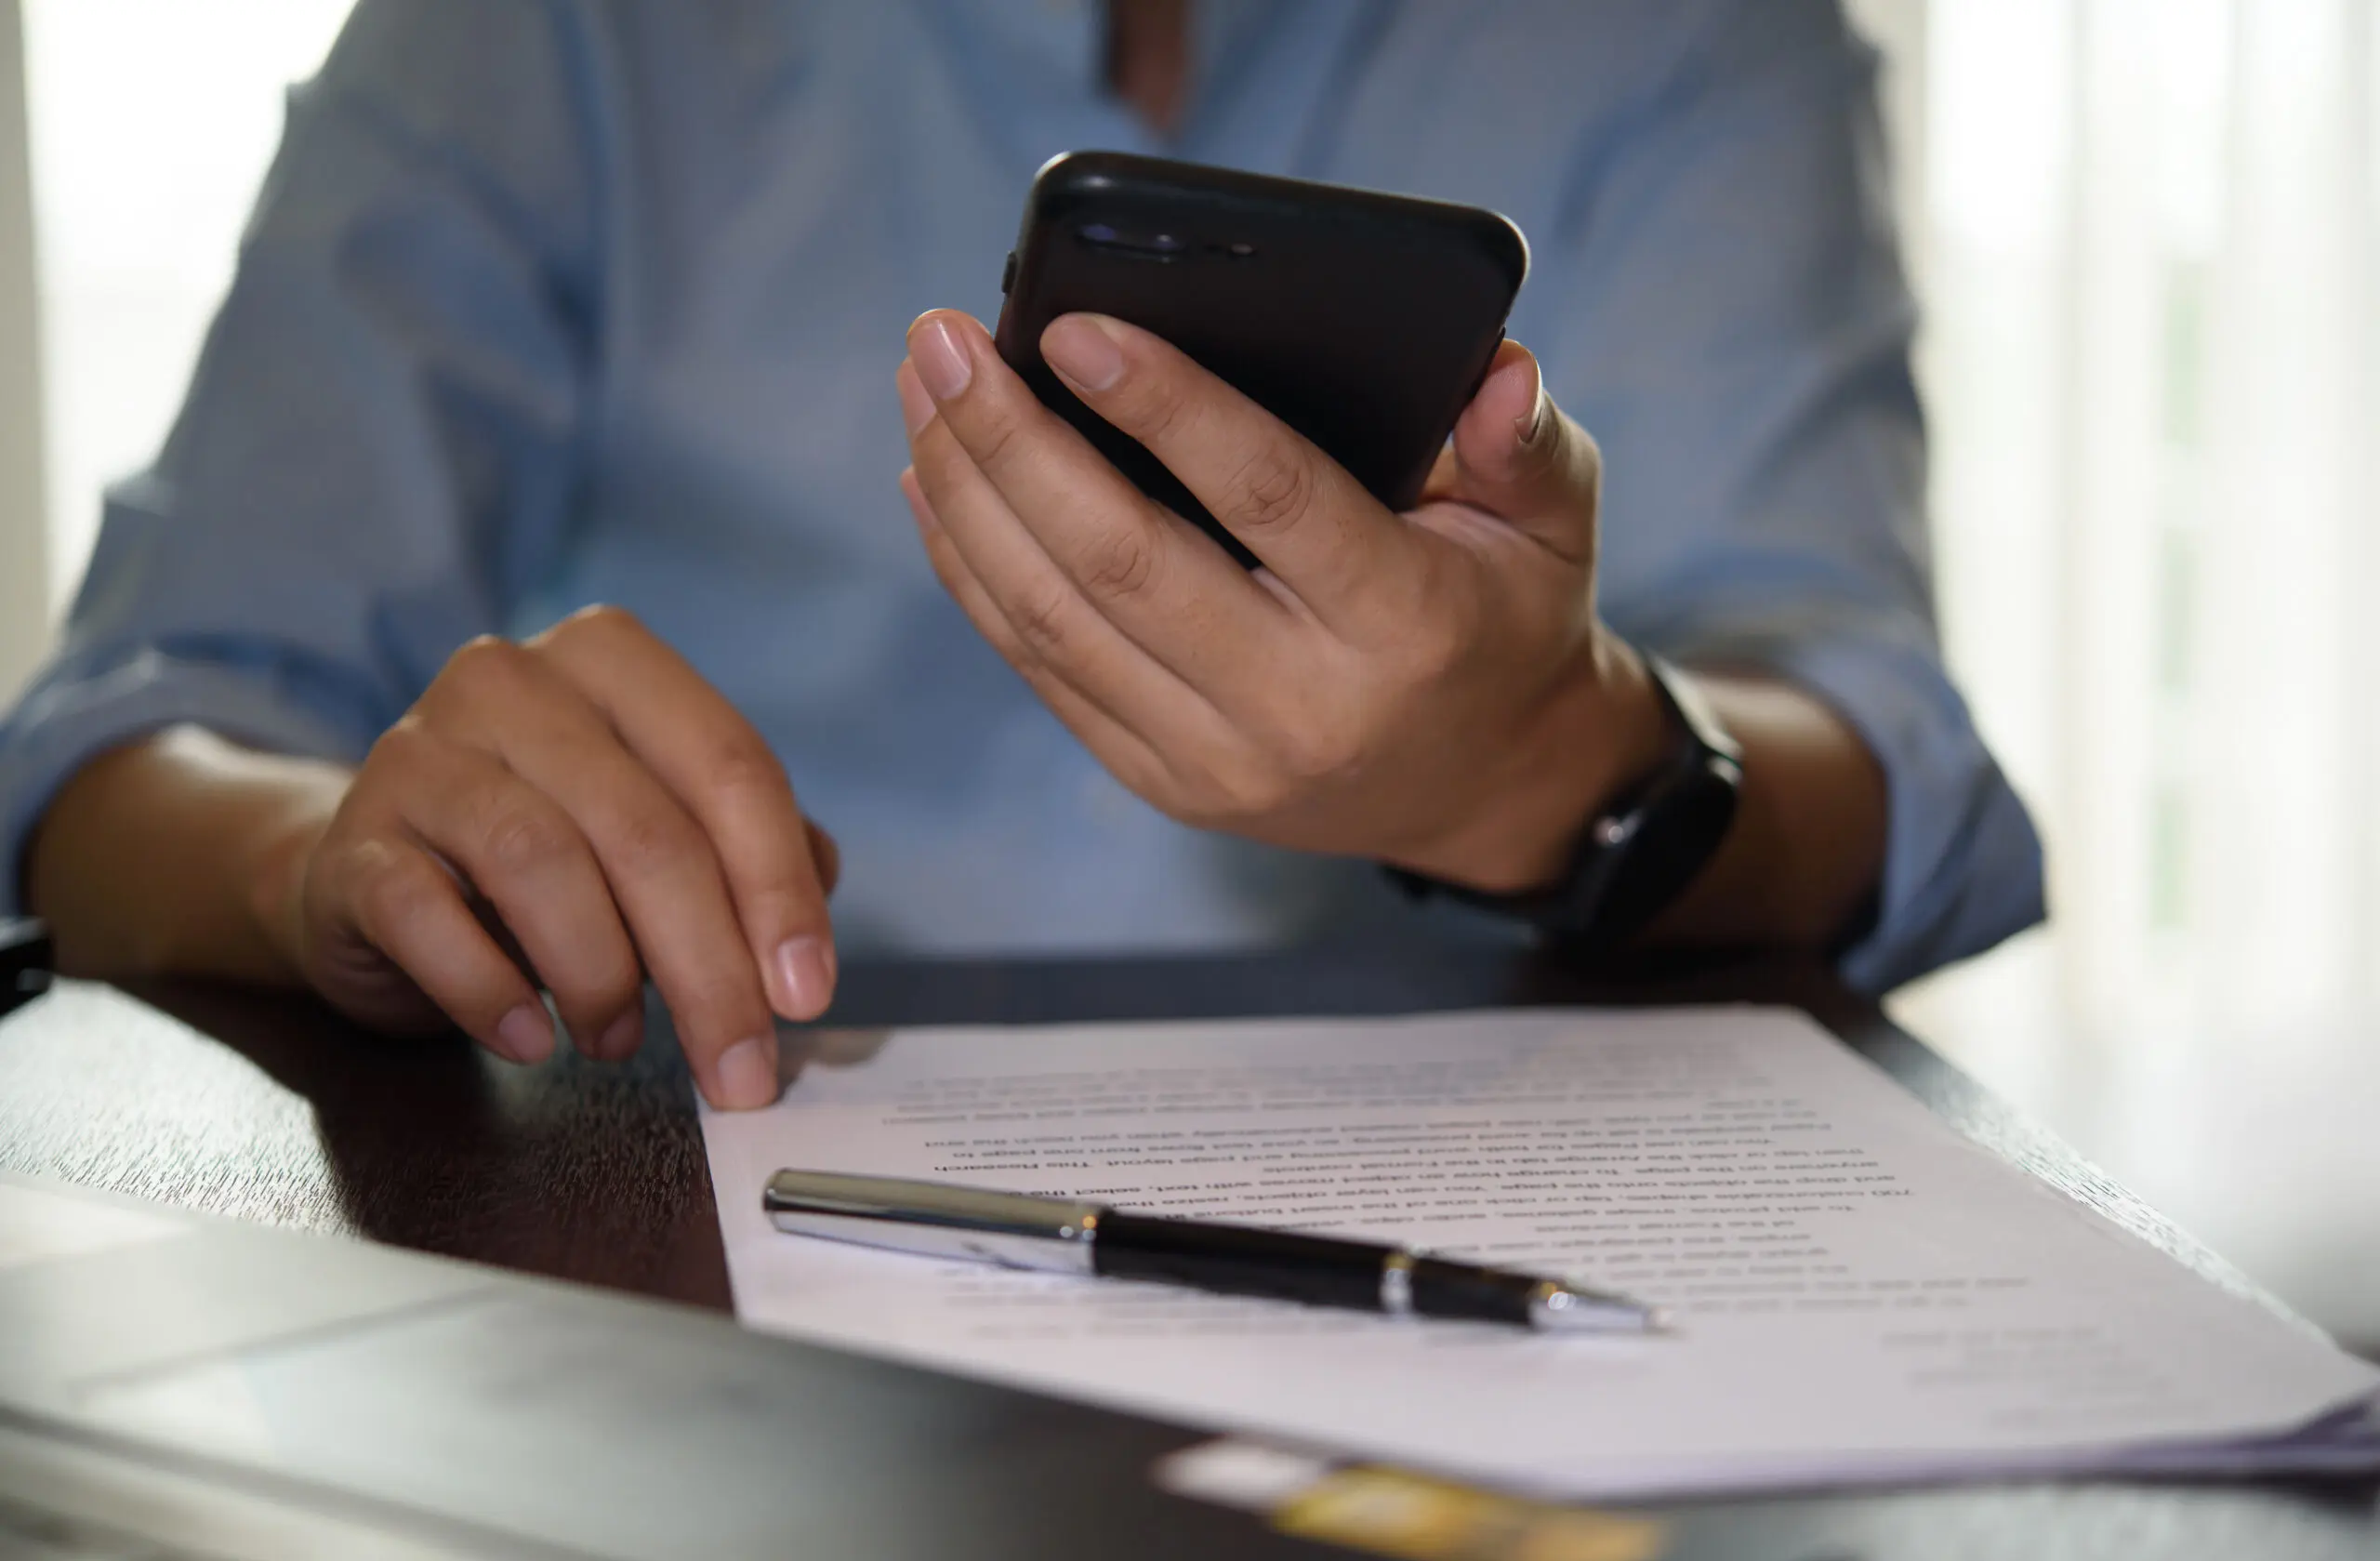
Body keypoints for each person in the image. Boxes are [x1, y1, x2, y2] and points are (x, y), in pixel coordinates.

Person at [0, 0, 2042, 1110]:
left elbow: (1886, 781)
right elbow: (112, 748)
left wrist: (1545, 767)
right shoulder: (542, 37)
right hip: (695, 1192)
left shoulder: (1691, 38)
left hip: (1501, 1198)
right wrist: (333, 855)